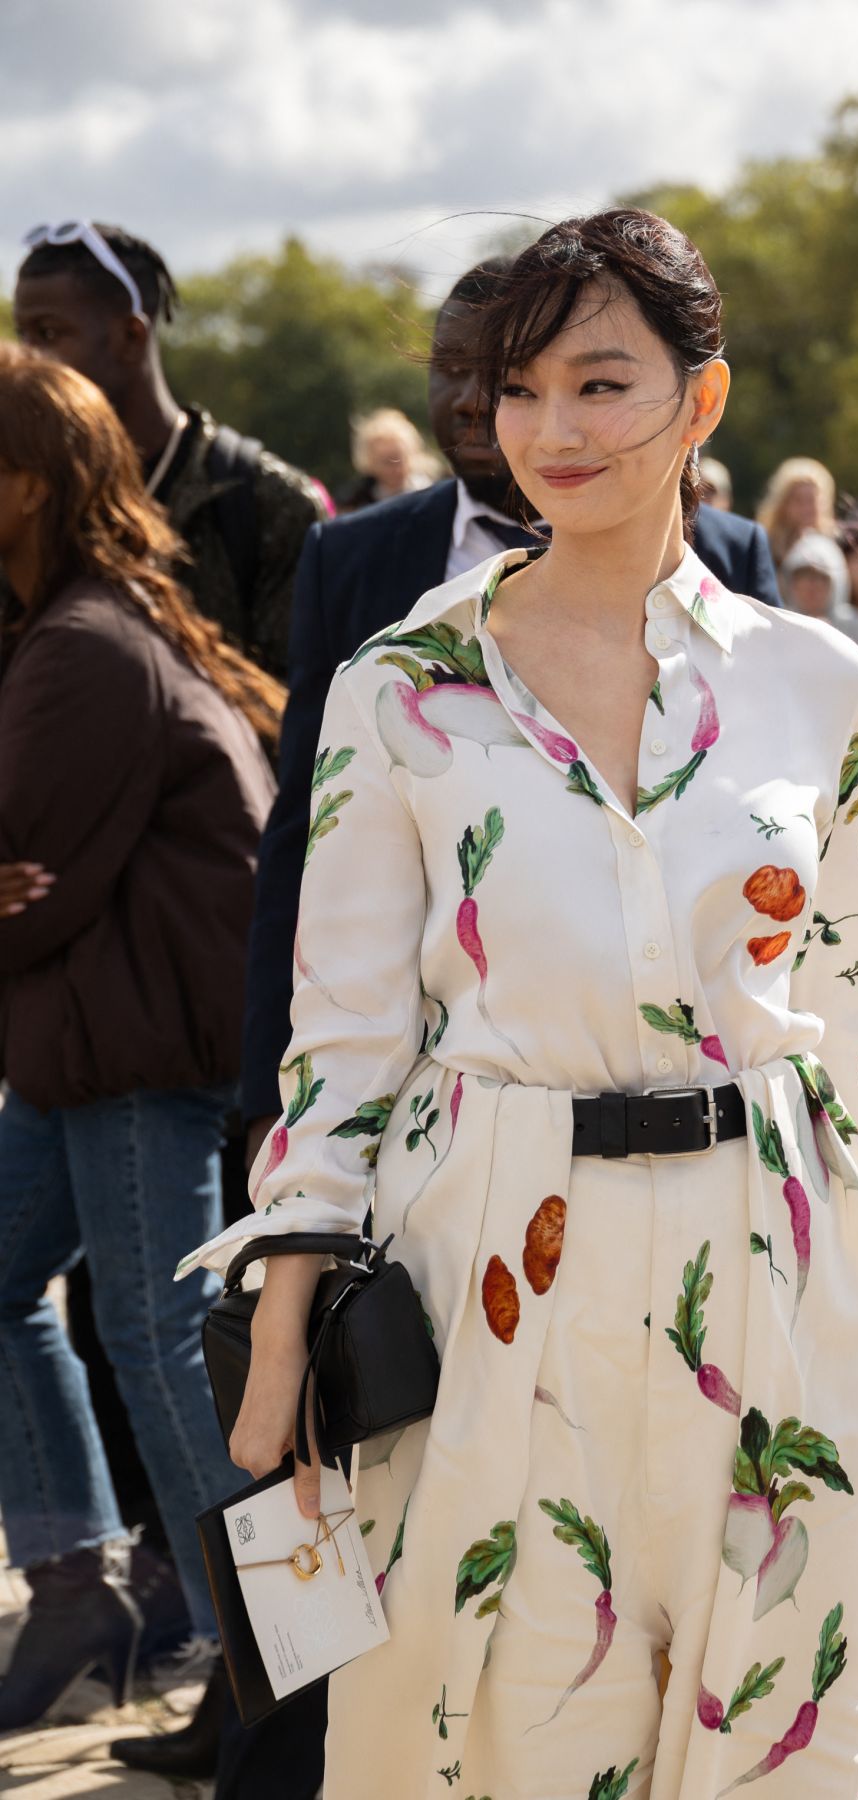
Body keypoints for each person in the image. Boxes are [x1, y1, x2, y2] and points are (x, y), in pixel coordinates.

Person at [179, 205, 858, 1800]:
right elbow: (342, 1041)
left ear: (705, 402)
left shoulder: (819, 682)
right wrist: (281, 1317)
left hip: (781, 1255)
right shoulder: (399, 687)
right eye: (516, 394)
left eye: (602, 384)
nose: (550, 432)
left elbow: (850, 1002)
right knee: (496, 1726)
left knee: (779, 1728)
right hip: (492, 1270)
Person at [238, 256, 782, 1146]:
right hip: (425, 1092)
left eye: (581, 382)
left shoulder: (734, 564)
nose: (472, 398)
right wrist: (275, 1090)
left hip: (693, 1098)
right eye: (465, 371)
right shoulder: (352, 564)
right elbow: (305, 827)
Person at [0, 344, 278, 1732]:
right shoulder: (80, 626)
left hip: (129, 1056)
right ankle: (77, 1594)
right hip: (83, 1052)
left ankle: (264, 1655)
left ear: (26, 486)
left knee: (157, 1336)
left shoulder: (84, 650)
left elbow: (30, 892)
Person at [13, 221, 327, 680]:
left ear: (131, 338)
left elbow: (300, 715)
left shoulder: (268, 505)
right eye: (22, 336)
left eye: (48, 334)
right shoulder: (24, 495)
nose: (28, 360)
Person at [778, 530, 858, 666]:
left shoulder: (852, 626)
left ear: (836, 583)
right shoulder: (779, 622)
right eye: (803, 576)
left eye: (820, 577)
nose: (812, 585)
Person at [340, 406, 437, 512]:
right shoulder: (356, 501)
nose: (395, 468)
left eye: (398, 458)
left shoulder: (431, 492)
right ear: (370, 462)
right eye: (386, 462)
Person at [757, 454, 839, 572]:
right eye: (798, 500)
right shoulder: (764, 547)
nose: (806, 508)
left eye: (811, 500)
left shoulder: (836, 547)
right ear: (783, 504)